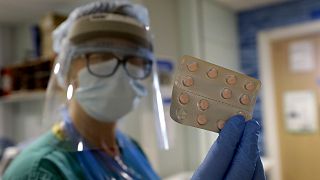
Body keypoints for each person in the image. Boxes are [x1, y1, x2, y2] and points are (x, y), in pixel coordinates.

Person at [3, 0, 265, 179]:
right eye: (102, 55)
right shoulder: (37, 170)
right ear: (67, 68)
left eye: (135, 61)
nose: (120, 71)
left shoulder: (131, 150)